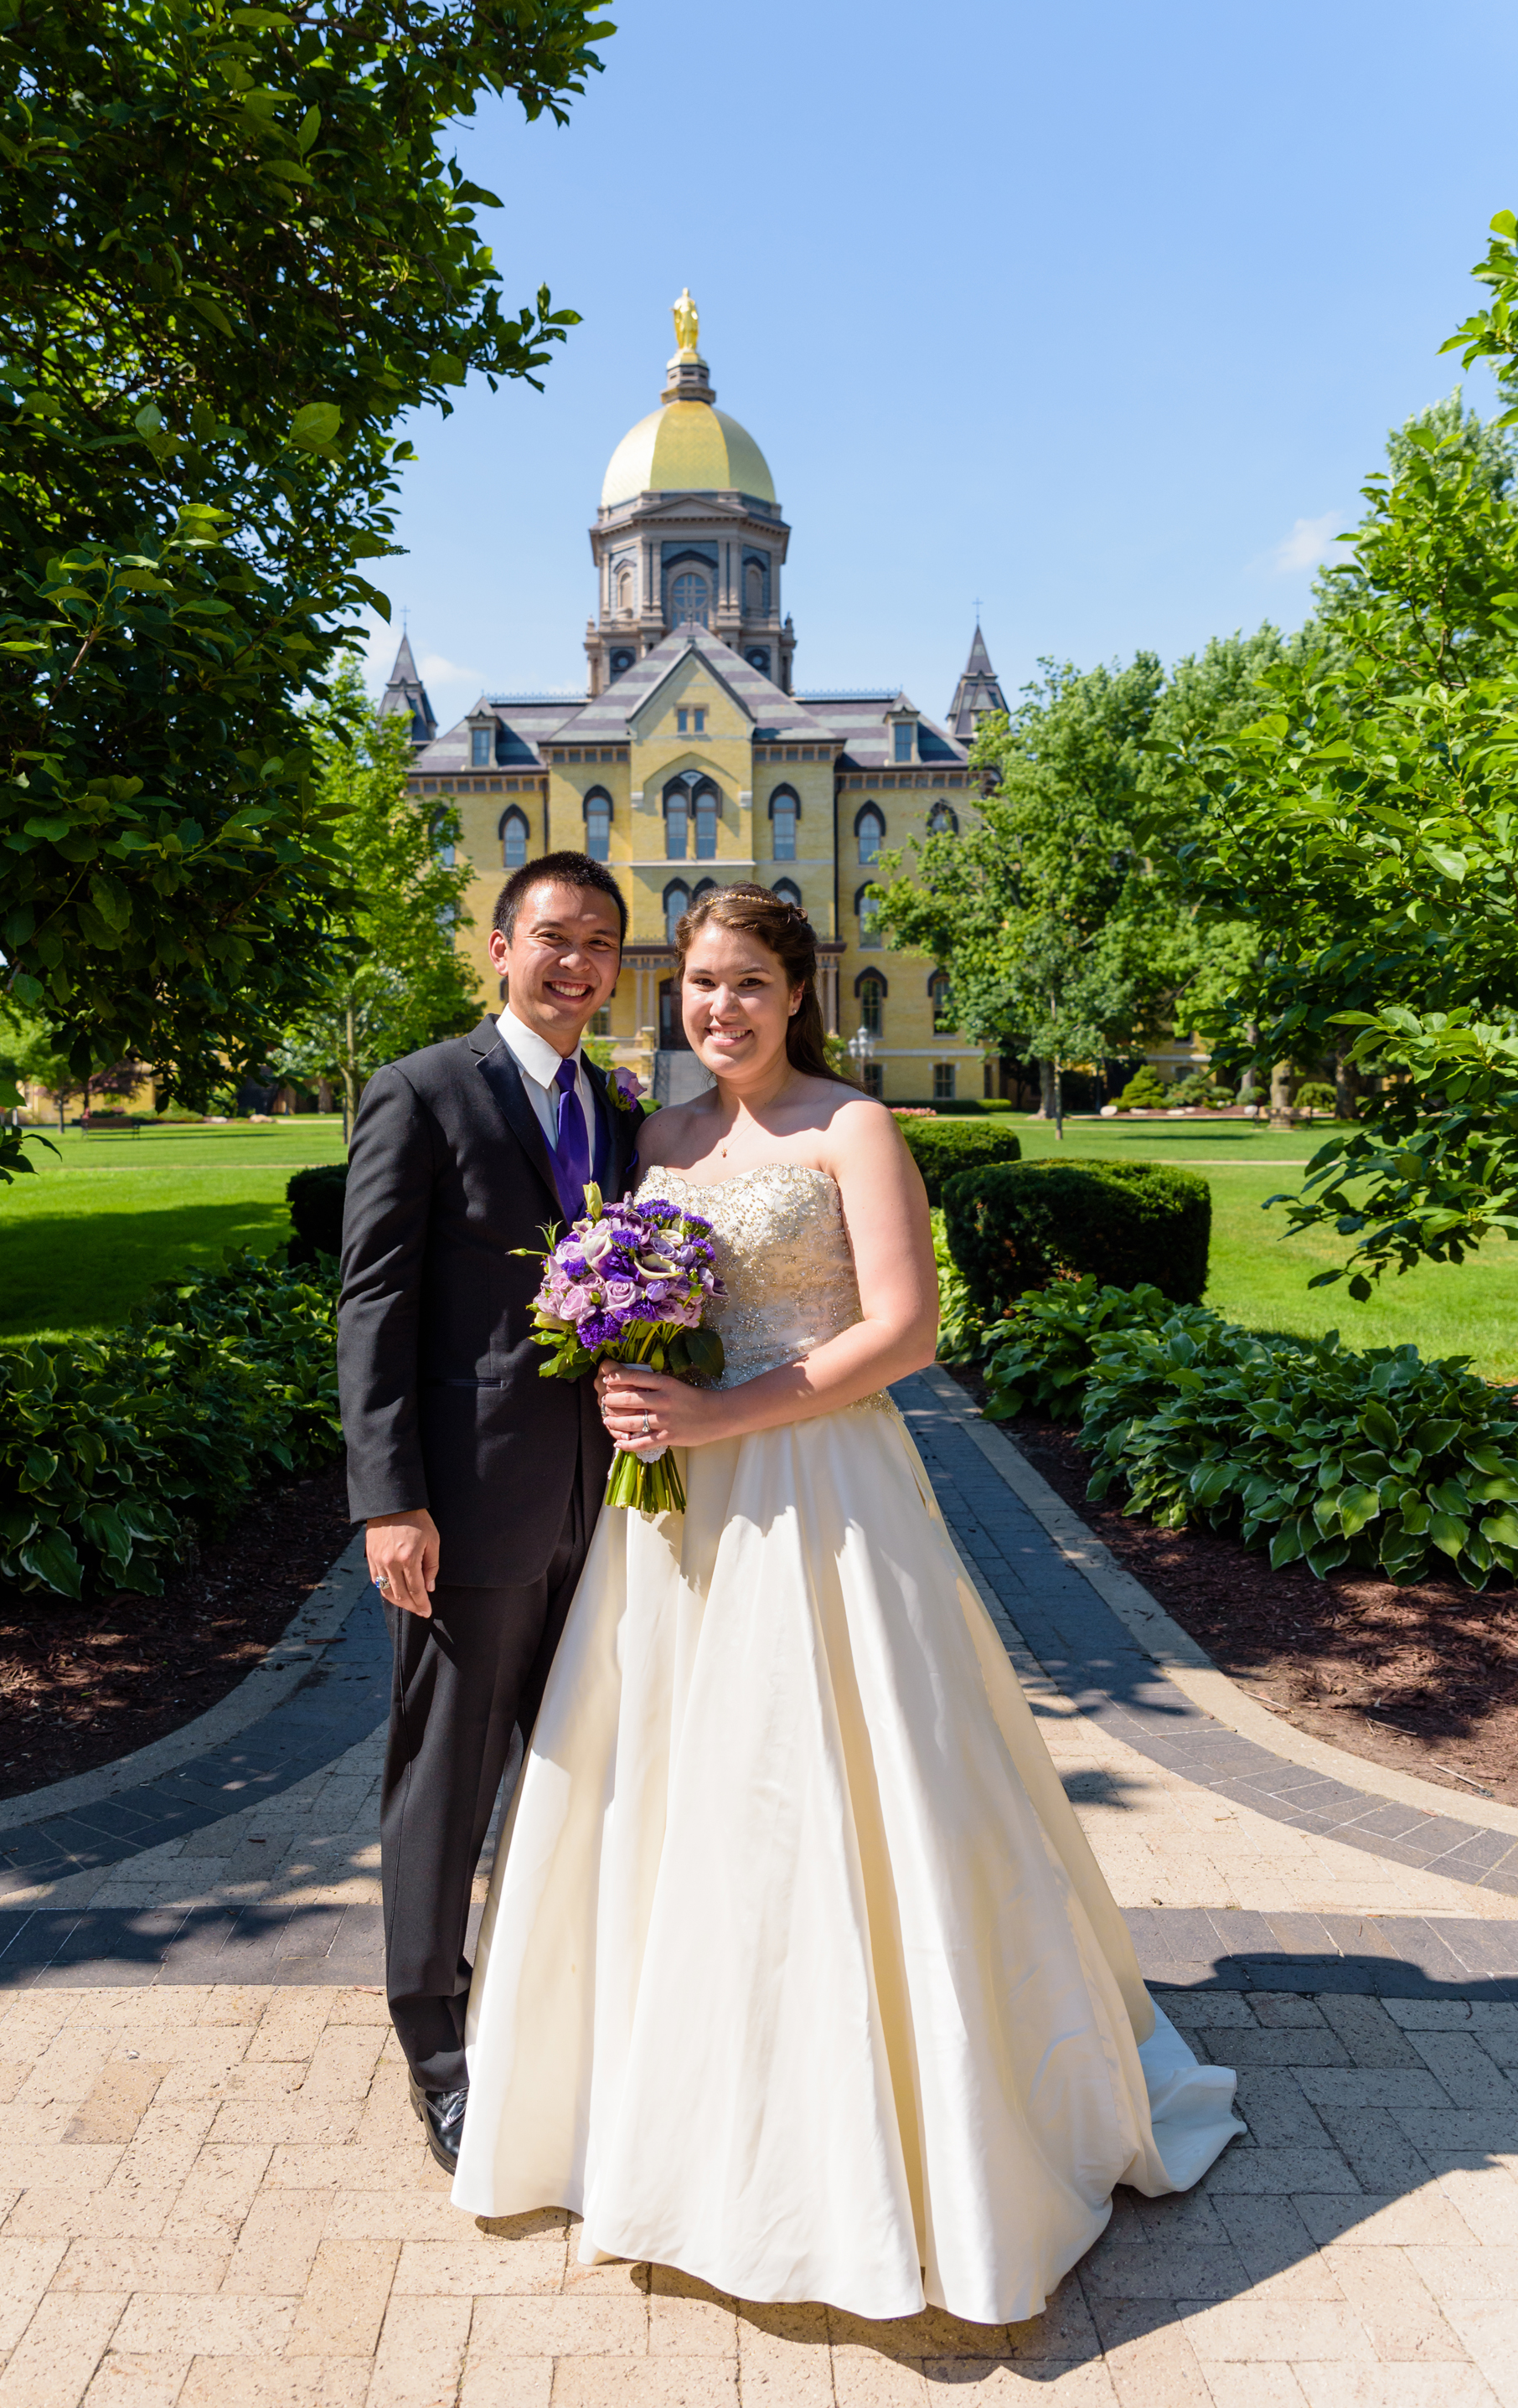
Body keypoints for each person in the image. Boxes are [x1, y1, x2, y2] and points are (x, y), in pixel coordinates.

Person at [450, 884, 1241, 2325]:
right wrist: (624, 1368)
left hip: (821, 1492)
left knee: (840, 1788)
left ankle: (908, 2138)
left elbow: (905, 1329)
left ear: (796, 992)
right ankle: (669, 2127)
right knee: (678, 1803)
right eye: (697, 982)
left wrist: (717, 1412)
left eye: (747, 981)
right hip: (675, 1524)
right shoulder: (657, 1136)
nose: (720, 1009)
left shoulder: (849, 1127)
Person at [338, 852, 644, 2173]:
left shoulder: (620, 1109)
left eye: (600, 946)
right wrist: (390, 1497)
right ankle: (439, 2050)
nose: (575, 964)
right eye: (553, 939)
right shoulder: (420, 1091)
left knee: (585, 1770)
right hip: (463, 1508)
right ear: (500, 950)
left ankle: (558, 2014)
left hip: (607, 1506)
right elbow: (375, 1305)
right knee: (444, 1784)